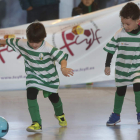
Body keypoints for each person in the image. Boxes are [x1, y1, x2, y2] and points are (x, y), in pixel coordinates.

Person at [0, 22, 74, 132]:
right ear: (27, 38)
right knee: (31, 94)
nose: (34, 45)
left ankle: (60, 114)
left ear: (43, 38)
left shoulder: (48, 48)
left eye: (37, 42)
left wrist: (63, 68)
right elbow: (7, 41)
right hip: (33, 75)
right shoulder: (23, 43)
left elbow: (62, 57)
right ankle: (36, 123)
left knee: (54, 98)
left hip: (49, 78)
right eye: (31, 41)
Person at [104, 2, 140, 125]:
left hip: (137, 68)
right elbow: (110, 50)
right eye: (123, 23)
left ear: (137, 20)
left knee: (138, 86)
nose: (125, 26)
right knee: (120, 91)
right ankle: (116, 114)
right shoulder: (120, 33)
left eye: (128, 24)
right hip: (122, 69)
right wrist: (107, 65)